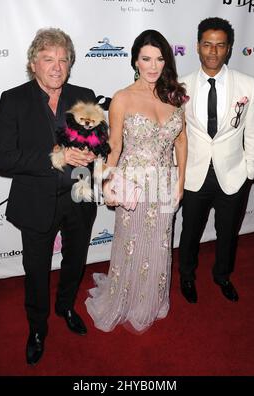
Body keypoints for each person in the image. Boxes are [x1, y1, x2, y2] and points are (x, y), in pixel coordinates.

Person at [0, 28, 97, 365]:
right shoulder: (13, 99)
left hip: (79, 197)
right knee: (36, 270)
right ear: (32, 64)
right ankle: (37, 328)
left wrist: (94, 154)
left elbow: (96, 142)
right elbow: (5, 159)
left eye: (63, 59)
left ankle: (66, 306)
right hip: (36, 201)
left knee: (75, 261)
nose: (57, 66)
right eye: (48, 59)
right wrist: (58, 157)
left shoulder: (84, 95)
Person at [85, 30, 187, 333]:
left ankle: (151, 300)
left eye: (159, 59)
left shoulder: (175, 96)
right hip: (134, 186)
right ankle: (125, 299)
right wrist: (106, 184)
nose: (153, 66)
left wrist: (180, 182)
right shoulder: (122, 98)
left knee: (159, 245)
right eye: (146, 59)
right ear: (136, 61)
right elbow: (114, 146)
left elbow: (181, 143)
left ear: (166, 61)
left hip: (165, 185)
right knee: (131, 246)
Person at [178, 17, 254, 304]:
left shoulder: (249, 85)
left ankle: (222, 275)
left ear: (228, 48)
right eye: (207, 44)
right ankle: (187, 276)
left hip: (233, 174)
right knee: (190, 231)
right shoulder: (180, 87)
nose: (212, 52)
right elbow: (176, 135)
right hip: (193, 174)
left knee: (228, 233)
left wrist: (248, 173)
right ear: (197, 47)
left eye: (220, 45)